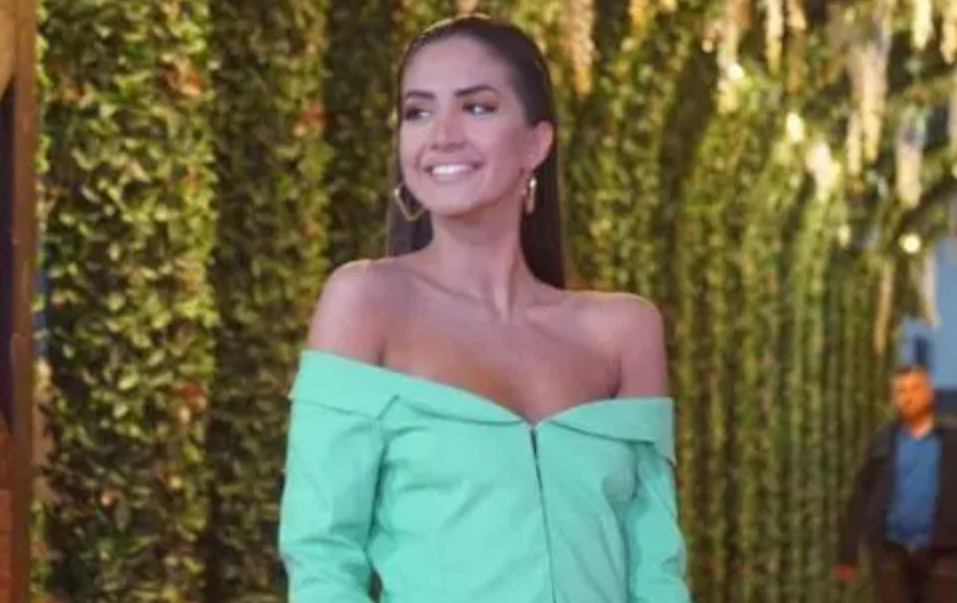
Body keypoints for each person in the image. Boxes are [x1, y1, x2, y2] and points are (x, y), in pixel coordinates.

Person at [278, 14, 689, 603]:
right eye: (418, 112)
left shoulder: (625, 330)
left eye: (476, 107)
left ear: (536, 143)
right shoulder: (365, 301)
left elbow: (655, 566)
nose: (441, 134)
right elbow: (322, 557)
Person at [835, 364, 957, 603]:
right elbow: (861, 494)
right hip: (891, 552)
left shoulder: (952, 441)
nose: (908, 397)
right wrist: (847, 551)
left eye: (915, 388)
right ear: (894, 398)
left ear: (929, 393)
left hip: (944, 554)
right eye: (901, 391)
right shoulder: (882, 442)